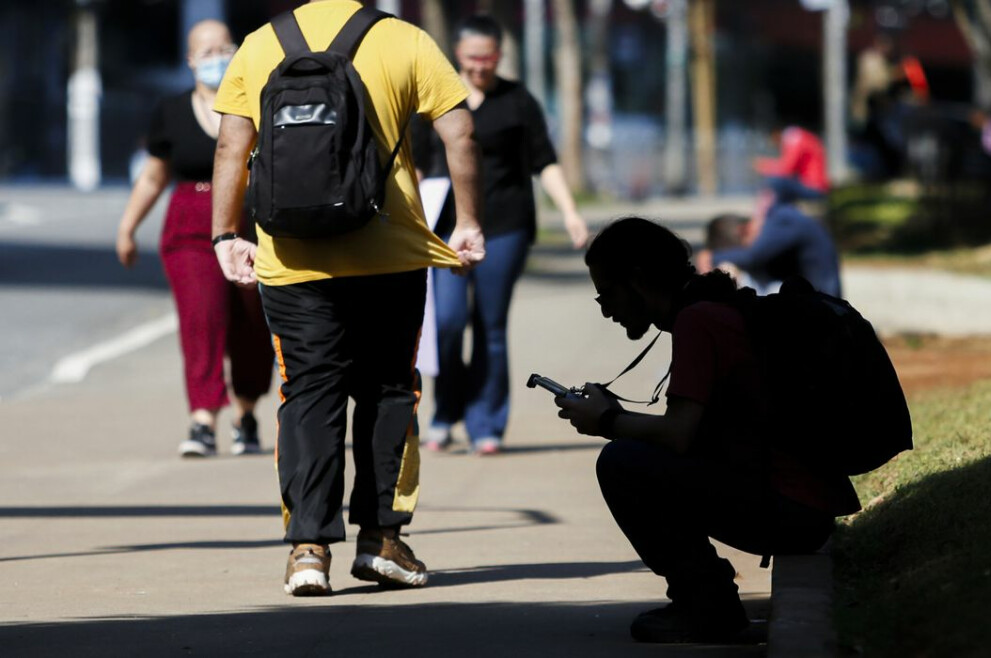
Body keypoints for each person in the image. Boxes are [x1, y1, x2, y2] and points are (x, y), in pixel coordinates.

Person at [210, 0, 484, 596]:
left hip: (291, 258)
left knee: (308, 393)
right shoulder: (404, 40)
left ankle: (308, 550)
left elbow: (231, 145)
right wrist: (466, 221)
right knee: (389, 389)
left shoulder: (259, 44)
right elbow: (460, 131)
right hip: (390, 254)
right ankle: (382, 540)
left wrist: (226, 234)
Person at [554, 217, 860, 644]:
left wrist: (607, 421)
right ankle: (705, 599)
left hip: (792, 511)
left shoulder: (698, 321)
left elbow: (678, 435)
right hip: (806, 508)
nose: (606, 310)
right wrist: (616, 416)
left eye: (607, 294)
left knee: (621, 463)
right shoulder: (713, 307)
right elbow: (694, 434)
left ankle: (706, 606)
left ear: (638, 281)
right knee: (634, 455)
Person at [425, 13, 590, 456]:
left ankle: (486, 422)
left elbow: (544, 161)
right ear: (457, 54)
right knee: (447, 323)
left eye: (488, 57)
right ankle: (445, 412)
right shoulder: (438, 97)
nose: (479, 66)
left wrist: (570, 212)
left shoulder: (518, 101)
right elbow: (416, 164)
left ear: (498, 55)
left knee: (490, 326)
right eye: (472, 57)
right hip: (446, 229)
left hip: (504, 226)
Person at [115, 20, 274, 458]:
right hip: (190, 225)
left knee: (253, 322)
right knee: (201, 317)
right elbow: (153, 177)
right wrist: (128, 228)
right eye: (207, 53)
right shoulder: (171, 110)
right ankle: (203, 418)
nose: (217, 59)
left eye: (225, 49)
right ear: (190, 60)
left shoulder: (259, 102)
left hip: (250, 220)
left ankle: (246, 412)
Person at [695, 193, 842, 298]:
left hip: (825, 305)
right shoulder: (778, 221)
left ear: (743, 230)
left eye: (742, 248)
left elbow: (752, 257)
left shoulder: (780, 221)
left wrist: (711, 257)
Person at [753, 124, 829, 204]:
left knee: (774, 181)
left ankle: (774, 210)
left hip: (814, 187)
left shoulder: (794, 138)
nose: (776, 145)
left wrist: (765, 166)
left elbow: (786, 169)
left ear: (775, 134)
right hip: (812, 185)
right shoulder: (798, 137)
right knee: (779, 186)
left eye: (773, 141)